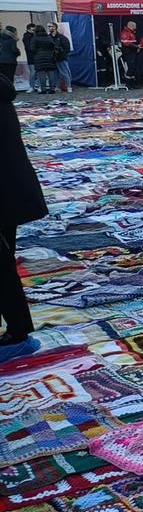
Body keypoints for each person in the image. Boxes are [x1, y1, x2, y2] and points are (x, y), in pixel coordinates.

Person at [0, 73, 47, 360]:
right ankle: (17, 331)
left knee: (2, 267)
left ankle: (18, 334)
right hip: (10, 191)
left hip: (5, 193)